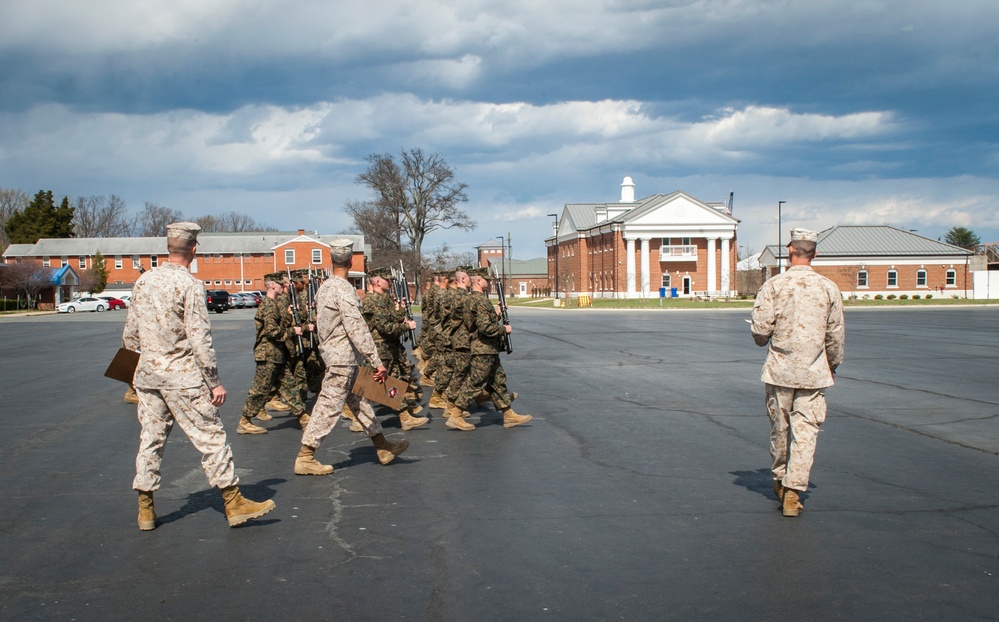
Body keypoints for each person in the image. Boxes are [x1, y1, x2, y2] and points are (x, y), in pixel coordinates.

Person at [122, 222, 275, 530]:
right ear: (193, 249)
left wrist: (133, 371)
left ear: (168, 248)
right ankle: (234, 503)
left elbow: (130, 335)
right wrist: (213, 381)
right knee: (210, 436)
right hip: (181, 375)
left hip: (148, 375)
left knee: (150, 439)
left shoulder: (144, 281)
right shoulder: (190, 285)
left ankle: (146, 509)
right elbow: (200, 339)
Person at [293, 239, 410, 476]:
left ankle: (382, 446)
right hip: (342, 359)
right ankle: (306, 455)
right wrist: (376, 362)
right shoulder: (343, 289)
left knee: (360, 403)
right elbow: (356, 327)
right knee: (328, 406)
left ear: (331, 260)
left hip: (337, 356)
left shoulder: (324, 287)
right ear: (351, 260)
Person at [751, 228, 845, 517]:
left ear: (790, 251)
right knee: (805, 433)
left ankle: (780, 479)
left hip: (780, 373)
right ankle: (793, 491)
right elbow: (835, 335)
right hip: (813, 374)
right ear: (815, 254)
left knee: (780, 430)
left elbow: (760, 332)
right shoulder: (829, 288)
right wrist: (832, 363)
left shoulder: (774, 286)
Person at [446, 268, 532, 431]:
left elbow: (479, 322)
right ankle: (455, 415)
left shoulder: (472, 299)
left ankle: (508, 414)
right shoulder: (480, 301)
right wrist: (503, 330)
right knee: (475, 382)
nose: (490, 281)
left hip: (486, 348)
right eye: (487, 279)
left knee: (497, 380)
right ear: (478, 281)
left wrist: (497, 314)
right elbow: (486, 327)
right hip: (483, 349)